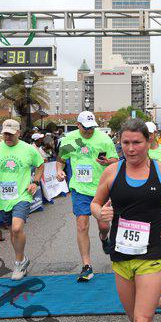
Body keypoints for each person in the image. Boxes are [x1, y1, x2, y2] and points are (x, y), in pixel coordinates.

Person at [90, 118, 161, 322]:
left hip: (153, 251)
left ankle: (159, 306)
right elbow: (95, 203)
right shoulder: (112, 172)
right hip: (121, 253)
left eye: (136, 142)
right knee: (135, 317)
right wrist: (100, 213)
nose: (130, 148)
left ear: (148, 142)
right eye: (125, 143)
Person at [0, 119, 44, 280]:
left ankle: (19, 263)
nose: (7, 137)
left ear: (18, 133)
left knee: (17, 228)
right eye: (5, 134)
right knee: (13, 231)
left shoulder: (28, 149)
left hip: (23, 195)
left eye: (11, 134)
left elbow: (40, 165)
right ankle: (22, 258)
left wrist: (35, 182)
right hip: (4, 199)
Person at [56, 111, 119, 282]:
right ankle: (86, 265)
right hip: (80, 189)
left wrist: (108, 162)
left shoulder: (103, 139)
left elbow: (116, 160)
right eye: (86, 128)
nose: (89, 130)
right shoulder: (71, 140)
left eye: (92, 127)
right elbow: (61, 159)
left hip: (101, 189)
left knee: (104, 225)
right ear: (78, 125)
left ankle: (104, 238)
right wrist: (59, 171)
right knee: (82, 225)